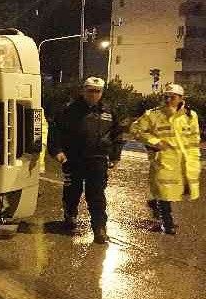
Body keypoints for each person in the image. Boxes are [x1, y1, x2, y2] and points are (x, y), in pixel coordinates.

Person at [48, 77, 125, 244]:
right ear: (83, 90)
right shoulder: (68, 110)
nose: (93, 94)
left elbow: (117, 134)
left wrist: (115, 156)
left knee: (97, 195)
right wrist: (57, 151)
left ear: (102, 93)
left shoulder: (108, 111)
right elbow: (55, 132)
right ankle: (70, 215)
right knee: (72, 191)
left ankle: (99, 228)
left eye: (97, 91)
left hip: (97, 160)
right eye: (90, 90)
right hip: (73, 158)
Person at [129, 83, 200, 234]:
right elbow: (135, 129)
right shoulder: (153, 115)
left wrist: (194, 157)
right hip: (162, 160)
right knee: (163, 191)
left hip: (183, 162)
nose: (168, 100)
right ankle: (167, 224)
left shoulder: (190, 115)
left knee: (176, 192)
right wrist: (155, 142)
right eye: (165, 96)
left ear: (181, 98)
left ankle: (155, 204)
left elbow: (194, 137)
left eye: (172, 97)